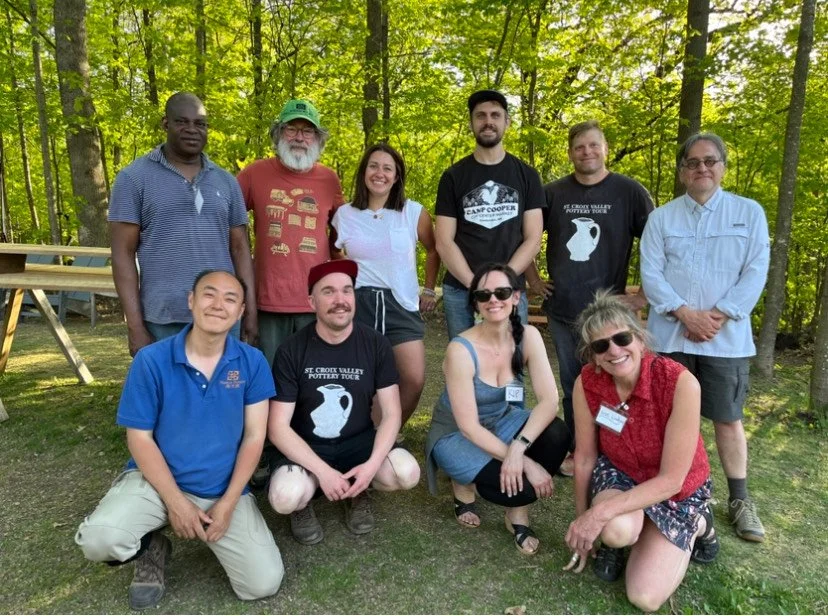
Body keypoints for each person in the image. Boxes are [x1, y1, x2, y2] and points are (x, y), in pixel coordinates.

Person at [75, 270, 283, 610]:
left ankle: (217, 524)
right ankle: (151, 546)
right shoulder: (151, 360)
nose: (218, 305)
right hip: (157, 484)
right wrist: (176, 503)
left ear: (241, 311)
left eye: (230, 299)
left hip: (222, 489)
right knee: (101, 540)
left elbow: (255, 436)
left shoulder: (252, 362)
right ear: (191, 301)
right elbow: (139, 438)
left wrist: (229, 502)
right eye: (208, 294)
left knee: (263, 583)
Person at [640, 132, 770, 543]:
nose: (702, 169)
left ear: (723, 167)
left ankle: (740, 500)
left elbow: (755, 273)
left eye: (710, 161)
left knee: (728, 419)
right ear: (682, 172)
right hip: (671, 338)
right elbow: (651, 274)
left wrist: (716, 316)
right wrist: (684, 314)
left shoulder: (748, 214)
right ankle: (668, 491)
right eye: (693, 163)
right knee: (667, 419)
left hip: (725, 340)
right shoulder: (661, 218)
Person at [563, 291, 717, 612]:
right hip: (621, 472)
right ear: (592, 354)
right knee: (616, 531)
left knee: (644, 598)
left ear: (640, 338)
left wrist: (598, 513)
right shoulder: (587, 383)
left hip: (675, 489)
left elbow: (672, 481)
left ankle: (701, 522)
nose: (614, 350)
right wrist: (582, 519)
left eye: (622, 338)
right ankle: (625, 536)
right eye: (601, 345)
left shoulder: (679, 383)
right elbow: (586, 457)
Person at [526, 120, 653, 476]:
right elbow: (526, 235)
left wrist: (643, 293)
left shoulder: (629, 192)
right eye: (580, 147)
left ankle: (617, 451)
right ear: (570, 152)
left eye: (594, 145)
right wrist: (533, 277)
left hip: (608, 316)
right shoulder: (552, 193)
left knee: (617, 382)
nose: (587, 152)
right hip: (564, 309)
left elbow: (657, 244)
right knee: (573, 383)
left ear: (606, 148)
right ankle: (580, 449)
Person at [266, 259, 420, 545]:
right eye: (328, 292)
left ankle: (357, 487)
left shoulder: (376, 344)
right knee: (284, 497)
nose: (340, 300)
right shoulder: (292, 349)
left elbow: (391, 414)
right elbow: (277, 427)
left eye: (347, 291)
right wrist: (322, 471)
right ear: (311, 301)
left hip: (358, 443)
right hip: (306, 447)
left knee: (406, 473)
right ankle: (305, 502)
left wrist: (372, 464)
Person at [425, 263, 570, 555]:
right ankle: (463, 482)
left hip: (503, 422)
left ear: (516, 297)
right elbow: (468, 426)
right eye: (484, 294)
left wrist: (518, 449)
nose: (493, 300)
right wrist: (526, 462)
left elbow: (549, 401)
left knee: (557, 433)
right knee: (522, 486)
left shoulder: (528, 337)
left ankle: (517, 514)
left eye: (502, 292)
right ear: (476, 303)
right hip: (457, 434)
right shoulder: (460, 350)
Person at [109, 92, 256, 357]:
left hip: (222, 316)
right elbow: (122, 254)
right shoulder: (134, 178)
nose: (192, 130)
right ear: (166, 124)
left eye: (199, 124)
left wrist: (250, 311)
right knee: (168, 397)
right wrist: (135, 325)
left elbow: (241, 249)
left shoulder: (226, 181)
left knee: (222, 396)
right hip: (163, 320)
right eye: (182, 122)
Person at [331, 143, 440, 426]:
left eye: (387, 168)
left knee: (413, 379)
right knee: (361, 379)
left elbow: (434, 249)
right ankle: (362, 436)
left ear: (396, 176)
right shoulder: (344, 215)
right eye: (373, 166)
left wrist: (428, 289)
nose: (380, 173)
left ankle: (388, 432)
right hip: (360, 304)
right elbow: (335, 259)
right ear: (363, 172)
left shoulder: (413, 212)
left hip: (400, 303)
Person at [237, 98, 345, 368]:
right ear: (278, 134)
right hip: (267, 301)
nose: (299, 137)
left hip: (315, 302)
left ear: (318, 138)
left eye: (307, 131)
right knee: (270, 379)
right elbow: (227, 223)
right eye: (291, 129)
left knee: (311, 380)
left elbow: (341, 237)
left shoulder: (329, 179)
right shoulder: (254, 173)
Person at [435, 90, 545, 340]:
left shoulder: (527, 176)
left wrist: (500, 284)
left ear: (507, 121)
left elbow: (533, 239)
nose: (488, 121)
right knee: (464, 365)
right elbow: (443, 241)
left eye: (495, 115)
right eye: (480, 115)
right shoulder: (453, 176)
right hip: (461, 289)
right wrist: (476, 285)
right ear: (471, 122)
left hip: (510, 290)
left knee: (511, 363)